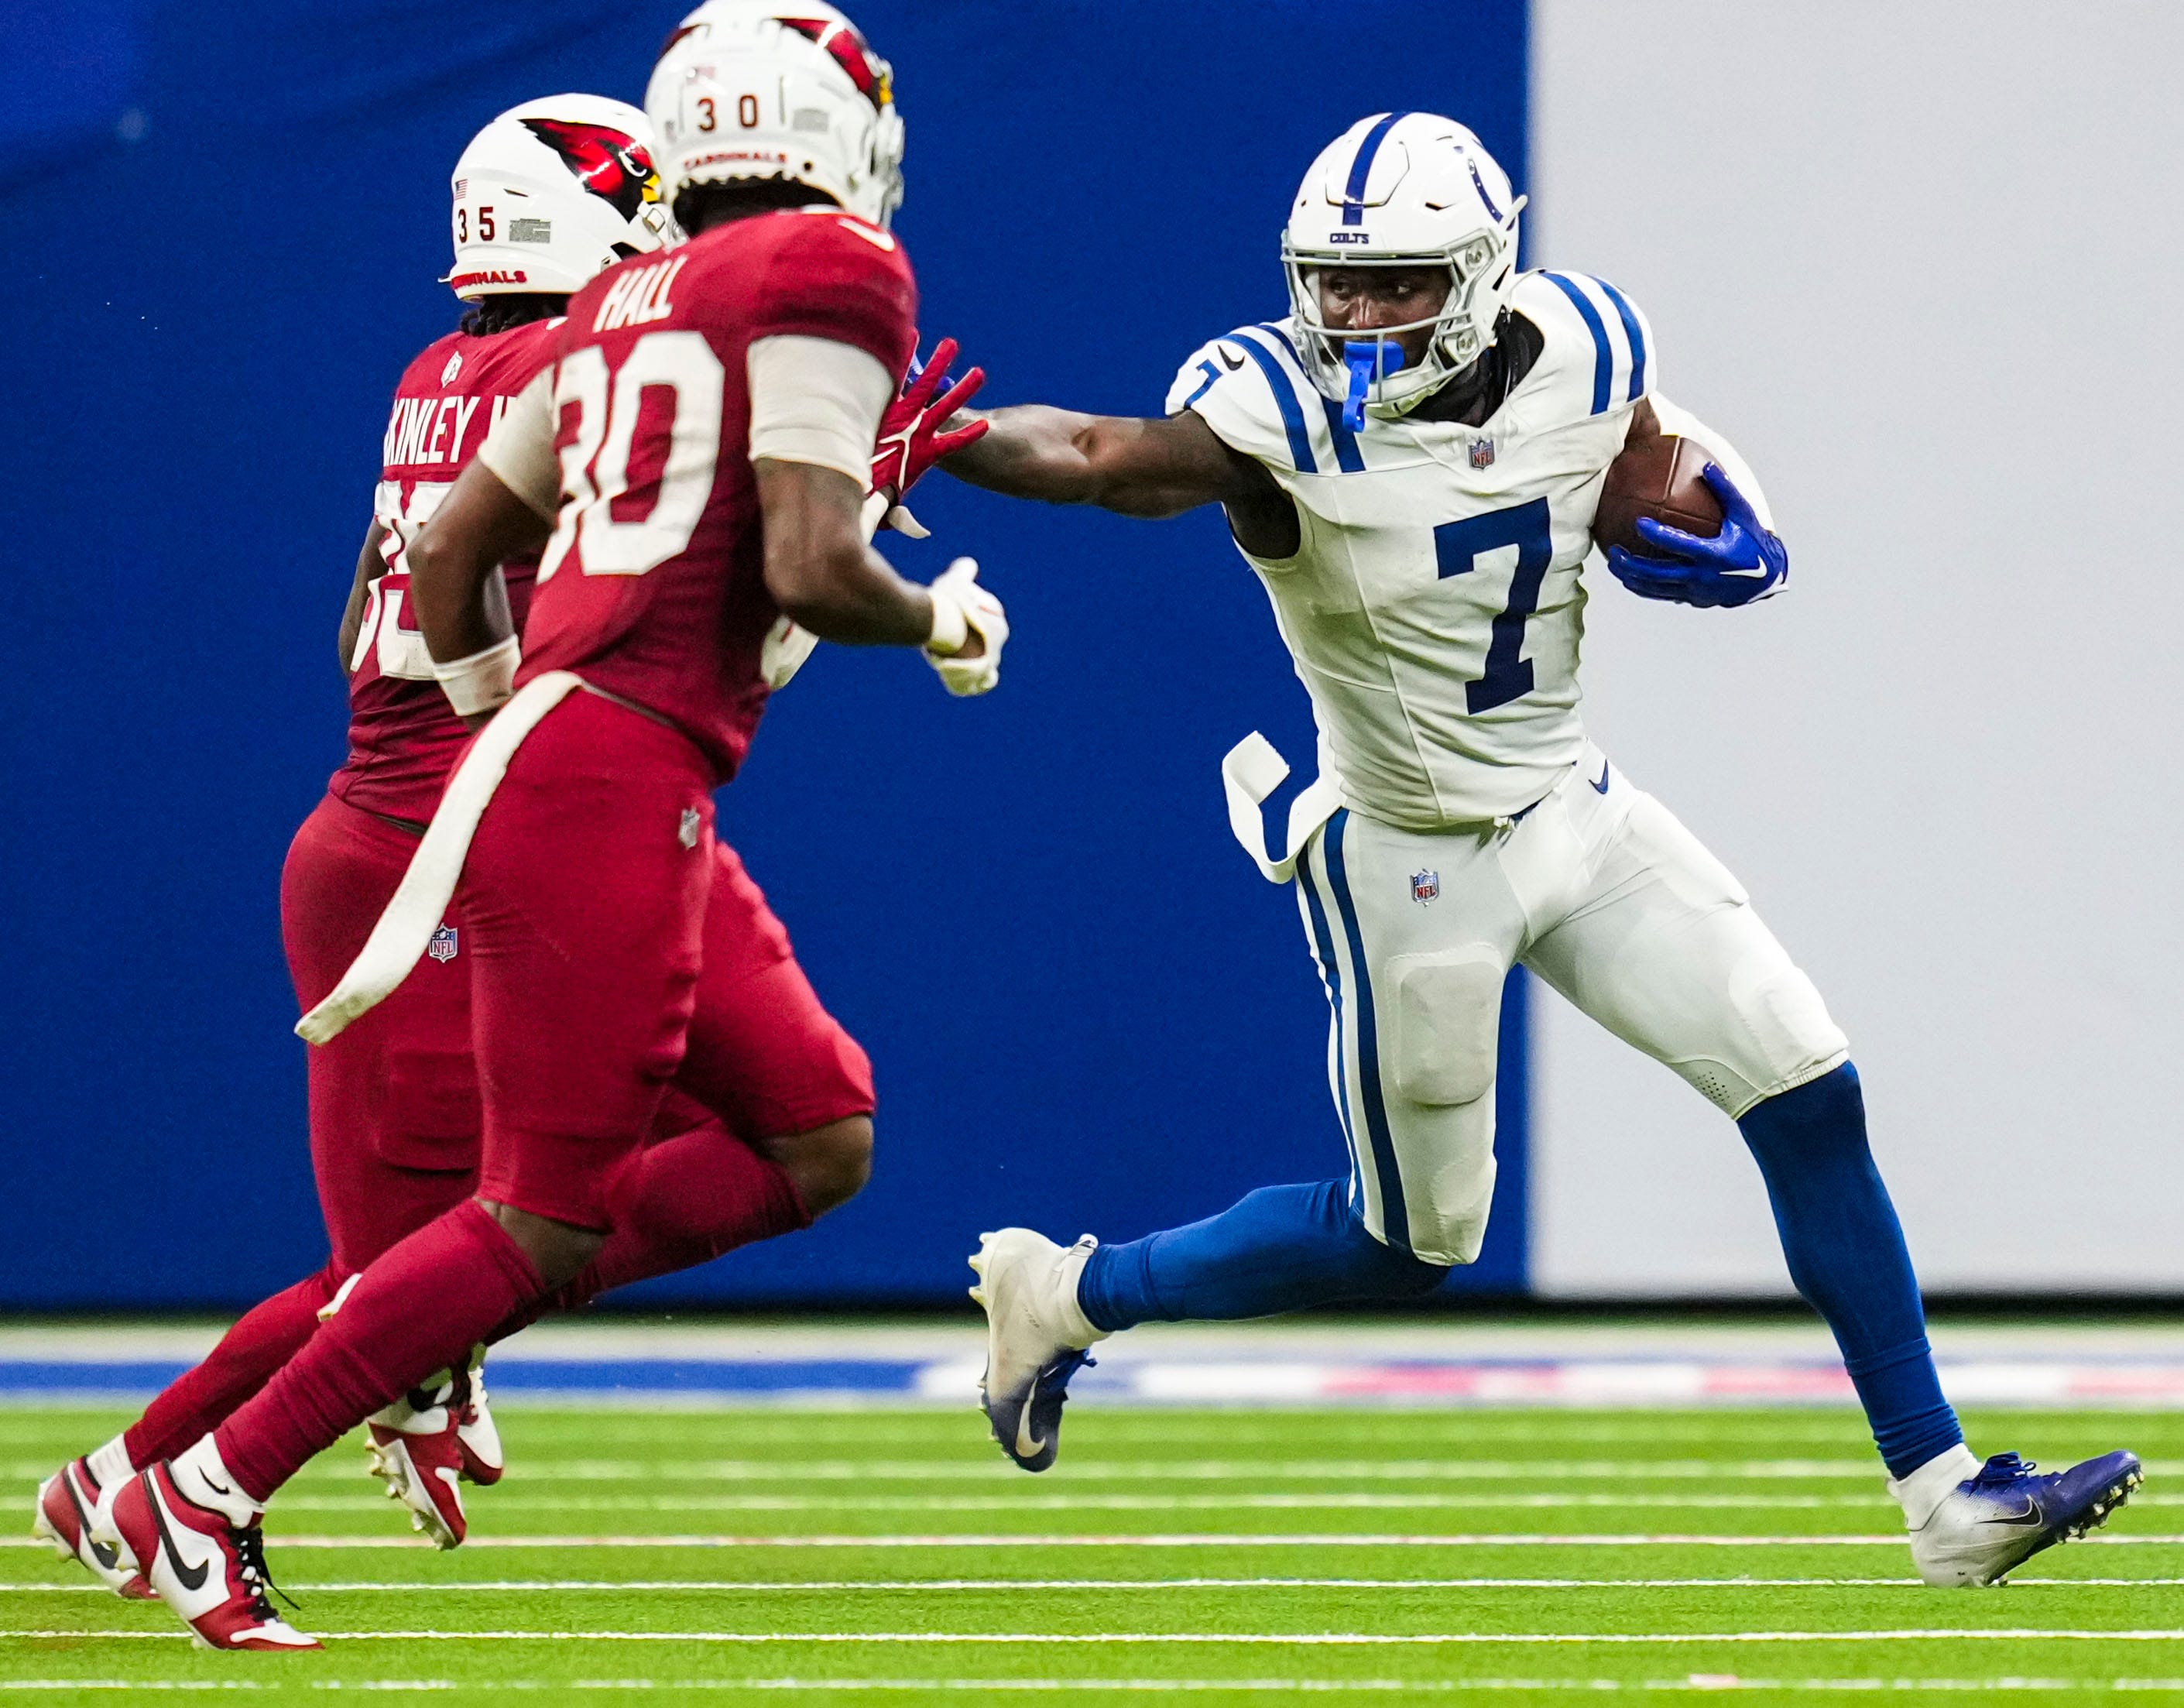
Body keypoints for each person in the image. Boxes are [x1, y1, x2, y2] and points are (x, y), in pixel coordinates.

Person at [947, 111, 2141, 1590]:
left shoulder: (1582, 337)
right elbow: (1097, 453)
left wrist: (1727, 520)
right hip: (1411, 858)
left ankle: (1944, 1494)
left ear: (1482, 273)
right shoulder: (1273, 406)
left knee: (1807, 1085)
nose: (1354, 313)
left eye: (1393, 283)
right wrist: (950, 441)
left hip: (1573, 808)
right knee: (1405, 1245)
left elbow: (1652, 454)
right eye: (1332, 280)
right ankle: (1067, 1293)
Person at [95, 1, 999, 1652]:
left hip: (531, 774)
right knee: (505, 1225)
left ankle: (342, 1376)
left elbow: (434, 583)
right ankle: (191, 1479)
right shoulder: (753, 296)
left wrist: (510, 715)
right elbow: (772, 591)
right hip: (558, 788)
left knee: (809, 1127)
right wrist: (921, 597)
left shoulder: (508, 352)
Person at [33, 92, 687, 1593]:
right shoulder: (561, 368)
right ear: (588, 218)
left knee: (438, 1251)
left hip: (384, 831)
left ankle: (135, 1476)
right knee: (406, 1270)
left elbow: (357, 624)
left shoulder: (436, 371)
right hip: (434, 853)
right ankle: (169, 1479)